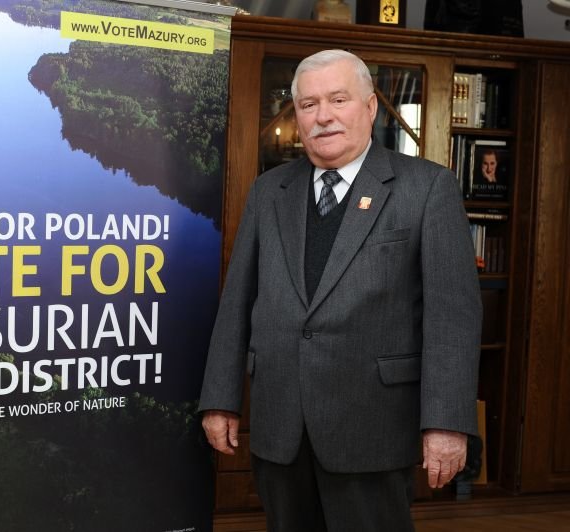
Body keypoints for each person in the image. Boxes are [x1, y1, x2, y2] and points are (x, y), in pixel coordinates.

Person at [198, 49, 481, 531]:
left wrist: (447, 423)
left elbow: (451, 318)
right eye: (308, 105)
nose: (323, 116)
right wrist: (220, 399)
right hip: (280, 424)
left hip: (372, 426)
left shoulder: (426, 188)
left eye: (338, 99)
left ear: (370, 107)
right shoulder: (269, 191)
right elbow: (238, 301)